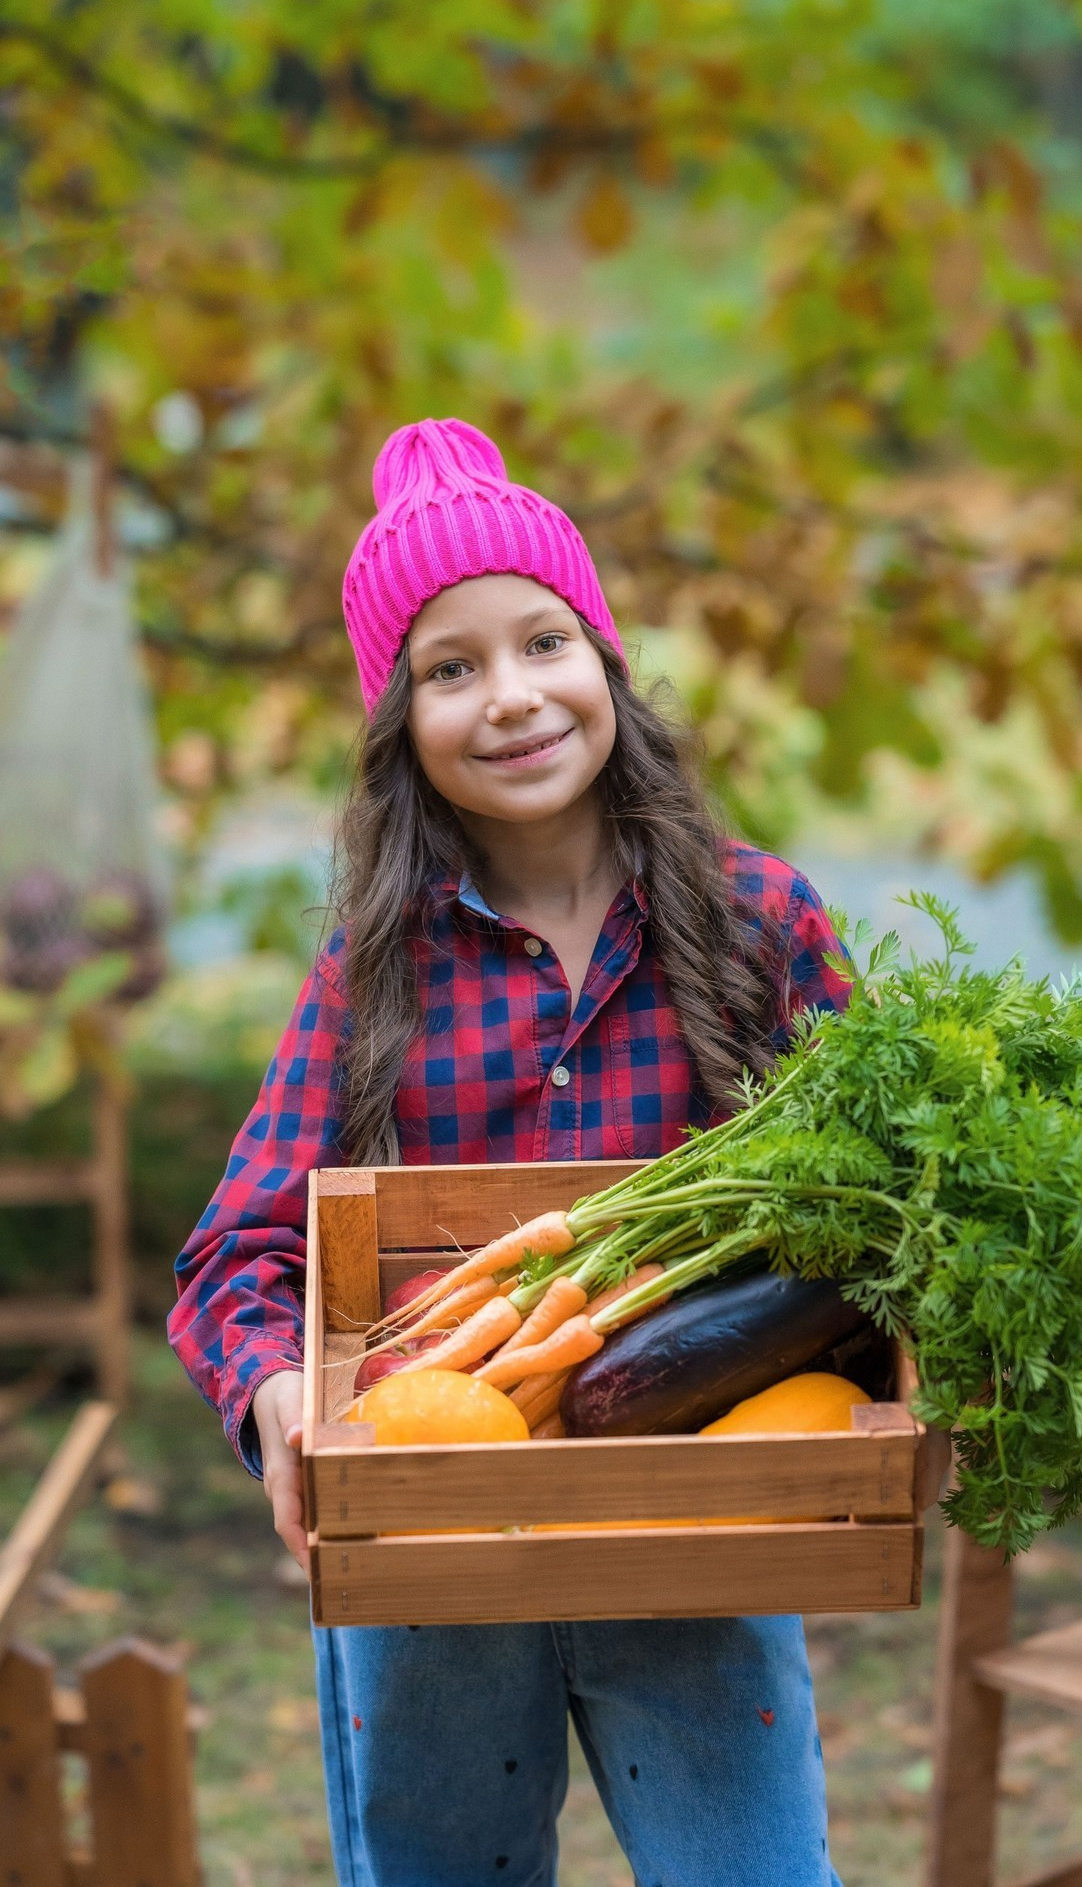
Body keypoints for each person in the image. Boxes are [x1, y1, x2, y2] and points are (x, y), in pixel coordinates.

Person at [169, 417, 851, 1887]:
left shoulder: (757, 926)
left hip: (693, 1527)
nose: (512, 698)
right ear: (398, 722)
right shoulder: (375, 974)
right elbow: (236, 1254)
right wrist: (277, 1394)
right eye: (450, 668)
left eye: (544, 642)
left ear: (606, 662)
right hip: (429, 1549)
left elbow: (876, 1200)